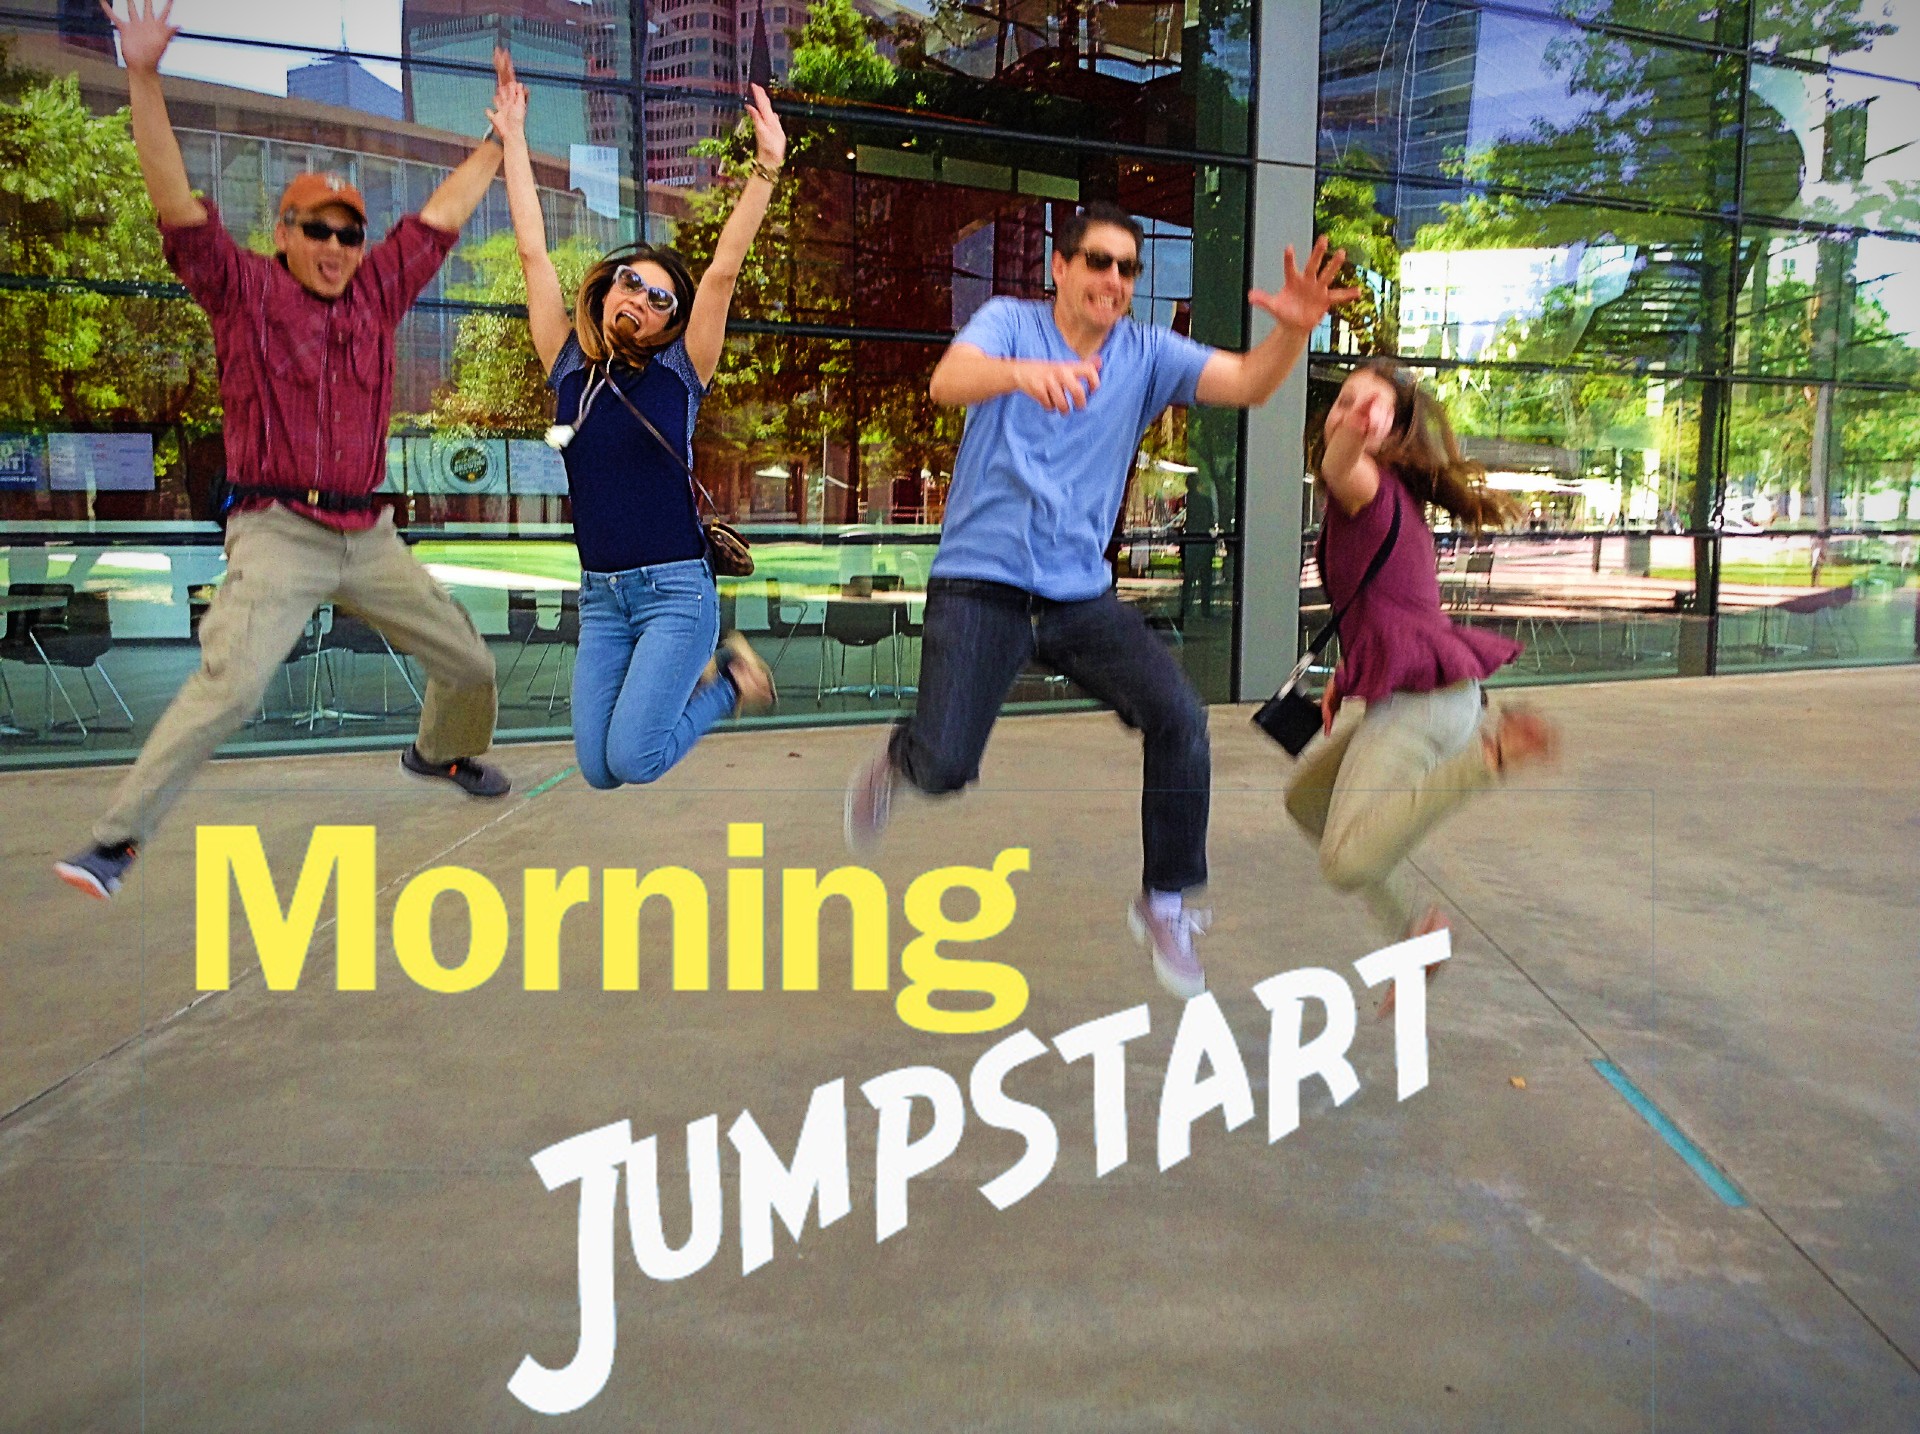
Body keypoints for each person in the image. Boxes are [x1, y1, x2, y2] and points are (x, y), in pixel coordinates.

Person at [55, 2, 516, 900]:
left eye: (350, 233)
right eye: (319, 231)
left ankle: (440, 753)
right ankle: (114, 843)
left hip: (368, 533)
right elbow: (175, 205)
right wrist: (142, 78)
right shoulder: (243, 293)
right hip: (277, 527)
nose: (339, 247)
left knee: (470, 665)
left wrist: (501, 142)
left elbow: (439, 219)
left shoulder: (380, 294)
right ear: (283, 236)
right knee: (233, 687)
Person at [844, 203, 1359, 999]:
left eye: (1127, 269)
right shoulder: (1010, 323)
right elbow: (950, 381)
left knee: (1180, 717)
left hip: (1079, 595)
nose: (1113, 281)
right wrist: (1024, 375)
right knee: (944, 767)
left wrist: (1292, 330)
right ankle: (898, 758)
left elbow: (1253, 382)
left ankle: (1164, 899)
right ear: (1060, 266)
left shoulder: (1148, 353)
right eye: (1097, 262)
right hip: (982, 580)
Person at [490, 58, 778, 792]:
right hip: (603, 594)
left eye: (660, 299)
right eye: (632, 282)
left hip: (676, 589)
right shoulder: (567, 367)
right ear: (608, 286)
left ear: (670, 323)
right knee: (595, 768)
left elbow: (721, 270)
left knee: (633, 760)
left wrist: (765, 170)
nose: (643, 299)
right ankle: (697, 679)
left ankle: (729, 683)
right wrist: (515, 139)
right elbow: (532, 252)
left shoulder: (681, 373)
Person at [1284, 359, 1557, 1008]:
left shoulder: (1363, 486)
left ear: (1392, 434)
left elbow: (1337, 462)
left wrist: (1352, 432)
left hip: (1430, 707)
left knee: (1346, 861)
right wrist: (1348, 676)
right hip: (1420, 692)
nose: (1353, 410)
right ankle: (1416, 934)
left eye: (1372, 407)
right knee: (1307, 805)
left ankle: (1489, 759)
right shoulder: (1380, 499)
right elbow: (1397, 611)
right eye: (1345, 399)